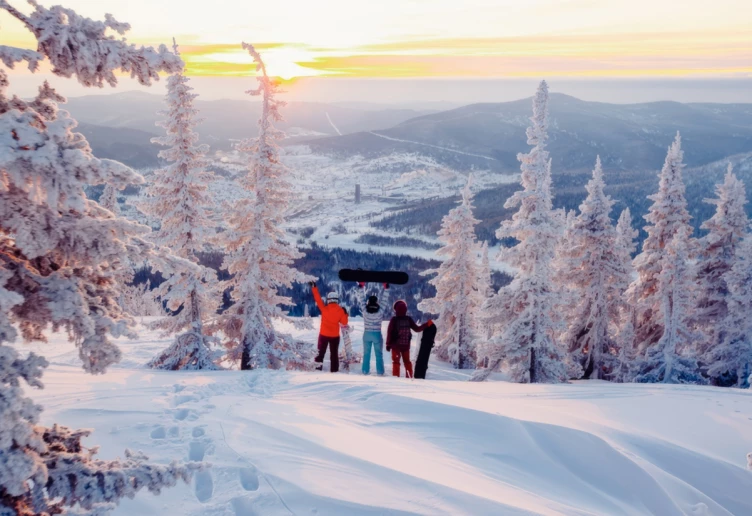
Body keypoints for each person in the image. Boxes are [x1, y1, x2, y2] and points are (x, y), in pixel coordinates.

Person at [386, 300, 433, 378]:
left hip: (396, 346)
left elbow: (389, 332)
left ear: (396, 310)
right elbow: (417, 329)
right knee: (407, 362)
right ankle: (409, 377)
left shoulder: (394, 320)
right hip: (406, 345)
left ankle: (395, 378)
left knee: (396, 362)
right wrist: (428, 324)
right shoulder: (408, 319)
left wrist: (388, 344)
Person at [311, 282, 348, 372]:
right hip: (335, 336)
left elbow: (318, 299)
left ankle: (317, 369)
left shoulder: (324, 309)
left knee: (320, 353)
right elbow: (344, 322)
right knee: (334, 354)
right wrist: (345, 313)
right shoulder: (340, 310)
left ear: (329, 300)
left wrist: (314, 288)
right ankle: (334, 370)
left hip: (323, 334)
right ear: (336, 300)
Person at [356, 282, 390, 375]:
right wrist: (386, 288)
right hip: (377, 334)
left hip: (366, 334)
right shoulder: (380, 312)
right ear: (376, 302)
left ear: (368, 303)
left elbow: (361, 299)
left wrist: (361, 287)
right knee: (378, 355)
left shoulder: (365, 311)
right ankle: (380, 372)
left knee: (366, 354)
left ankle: (365, 371)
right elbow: (384, 301)